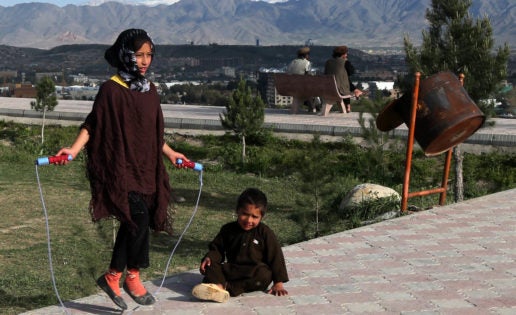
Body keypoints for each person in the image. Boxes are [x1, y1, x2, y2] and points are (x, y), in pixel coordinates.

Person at [55, 28, 191, 310]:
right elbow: (93, 124)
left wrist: (170, 153)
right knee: (136, 219)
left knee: (141, 220)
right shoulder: (110, 90)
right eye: (138, 55)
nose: (144, 61)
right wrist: (75, 149)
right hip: (120, 166)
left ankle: (126, 275)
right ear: (125, 55)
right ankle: (120, 276)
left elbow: (152, 134)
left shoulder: (150, 90)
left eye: (148, 55)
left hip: (146, 167)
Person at [191, 188, 289, 303]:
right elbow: (217, 249)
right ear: (238, 210)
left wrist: (278, 283)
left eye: (254, 217)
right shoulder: (228, 229)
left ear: (262, 217)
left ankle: (223, 287)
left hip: (253, 272)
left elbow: (275, 256)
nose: (248, 220)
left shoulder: (265, 232)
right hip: (232, 269)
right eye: (245, 214)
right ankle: (218, 286)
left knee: (265, 274)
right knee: (210, 264)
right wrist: (210, 258)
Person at [324, 45, 362, 113]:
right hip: (340, 89)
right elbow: (351, 72)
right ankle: (348, 106)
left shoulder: (328, 62)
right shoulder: (345, 62)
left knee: (343, 80)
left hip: (328, 88)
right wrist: (347, 62)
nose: (347, 55)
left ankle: (356, 91)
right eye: (346, 54)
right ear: (343, 54)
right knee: (344, 83)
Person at [286, 46, 318, 112]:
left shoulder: (292, 62)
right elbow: (308, 75)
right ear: (306, 55)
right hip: (302, 88)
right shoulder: (307, 63)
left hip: (291, 87)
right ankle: (313, 107)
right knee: (311, 89)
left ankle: (311, 107)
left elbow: (288, 73)